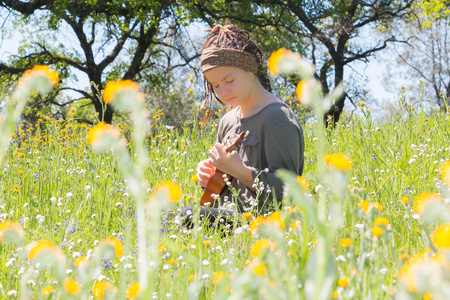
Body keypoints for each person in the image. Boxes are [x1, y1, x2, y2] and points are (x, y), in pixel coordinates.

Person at [181, 24, 304, 228]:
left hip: (262, 225)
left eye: (229, 80)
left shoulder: (277, 118)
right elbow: (217, 191)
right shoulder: (227, 121)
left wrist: (239, 170)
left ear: (249, 68)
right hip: (226, 216)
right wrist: (211, 176)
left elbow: (288, 192)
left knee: (183, 217)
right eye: (216, 86)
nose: (223, 91)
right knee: (161, 213)